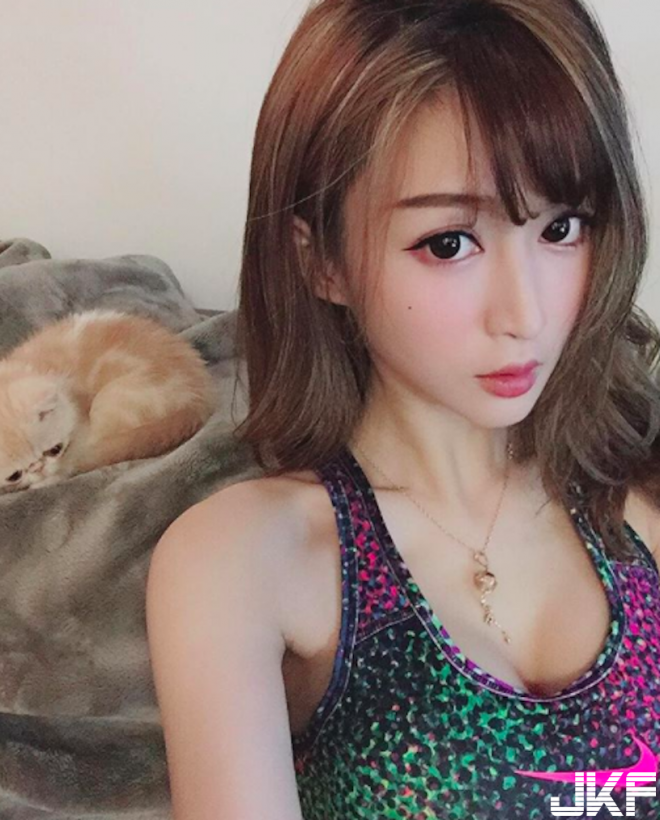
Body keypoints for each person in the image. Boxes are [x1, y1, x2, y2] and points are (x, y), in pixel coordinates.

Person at [145, 0, 660, 817]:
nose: (524, 313)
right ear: (322, 261)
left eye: (563, 227)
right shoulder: (246, 560)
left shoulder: (641, 510)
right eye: (449, 243)